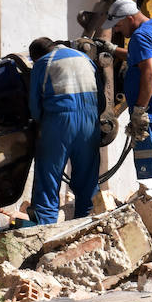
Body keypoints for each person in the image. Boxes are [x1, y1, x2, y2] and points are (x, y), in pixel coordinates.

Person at [105, 0, 152, 187]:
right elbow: (141, 57)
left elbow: (149, 74)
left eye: (119, 25)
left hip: (151, 118)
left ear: (130, 18)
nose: (117, 30)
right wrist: (114, 50)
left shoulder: (140, 37)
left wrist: (139, 110)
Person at [27, 37, 101, 224]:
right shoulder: (84, 58)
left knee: (49, 176)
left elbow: (34, 105)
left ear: (36, 56)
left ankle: (45, 228)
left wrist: (37, 124)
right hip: (90, 121)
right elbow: (101, 94)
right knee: (87, 176)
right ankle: (86, 222)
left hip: (59, 121)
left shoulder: (43, 63)